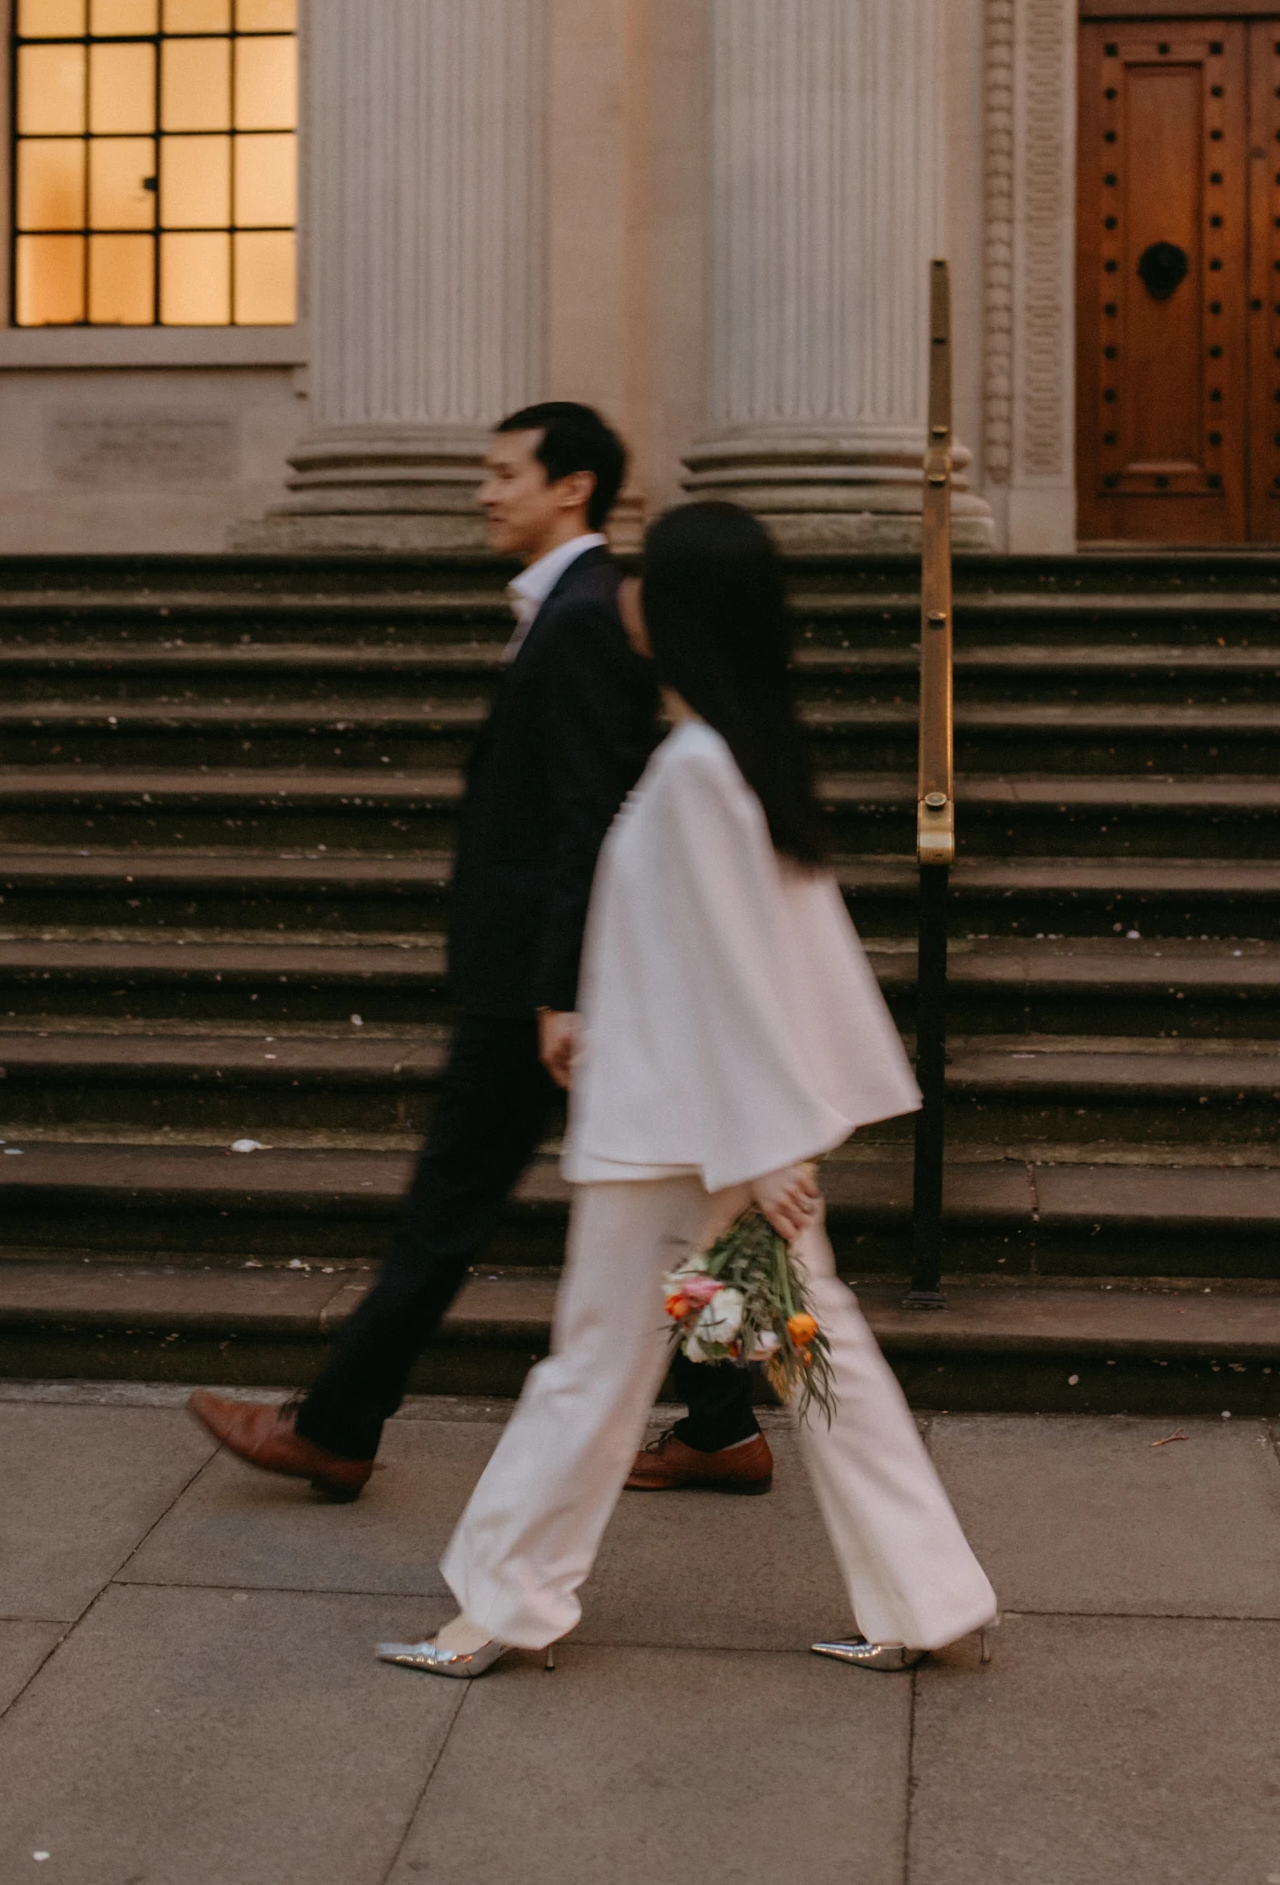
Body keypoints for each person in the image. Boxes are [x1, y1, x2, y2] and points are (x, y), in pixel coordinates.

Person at [376, 501, 998, 1681]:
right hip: (709, 1127)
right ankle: (927, 1596)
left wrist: (767, 1150)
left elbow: (737, 968)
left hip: (681, 1140)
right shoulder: (736, 752)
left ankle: (501, 1604)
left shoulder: (703, 766)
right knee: (814, 1356)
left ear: (673, 606)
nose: (621, 588)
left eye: (643, 572)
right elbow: (747, 954)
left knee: (596, 1369)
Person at [187, 407, 766, 1497]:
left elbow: (586, 818)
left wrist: (556, 990)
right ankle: (722, 1425)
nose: (485, 492)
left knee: (451, 1207)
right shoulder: (571, 607)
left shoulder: (584, 614)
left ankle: (337, 1426)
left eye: (506, 473)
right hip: (557, 972)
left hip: (541, 983)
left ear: (572, 487)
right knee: (674, 1200)